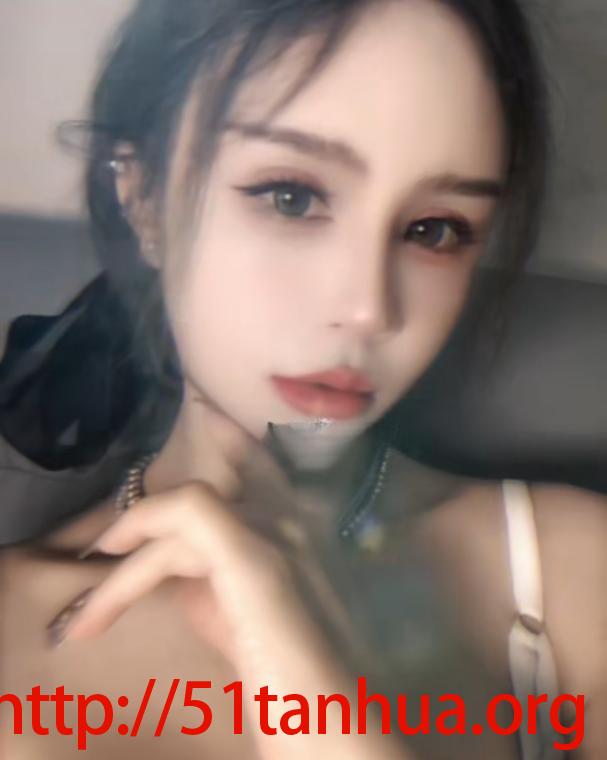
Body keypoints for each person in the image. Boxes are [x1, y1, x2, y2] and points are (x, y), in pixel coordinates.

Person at [0, 1, 604, 758]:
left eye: (433, 229)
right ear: (144, 199)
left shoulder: (574, 574)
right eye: (291, 197)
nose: (368, 309)